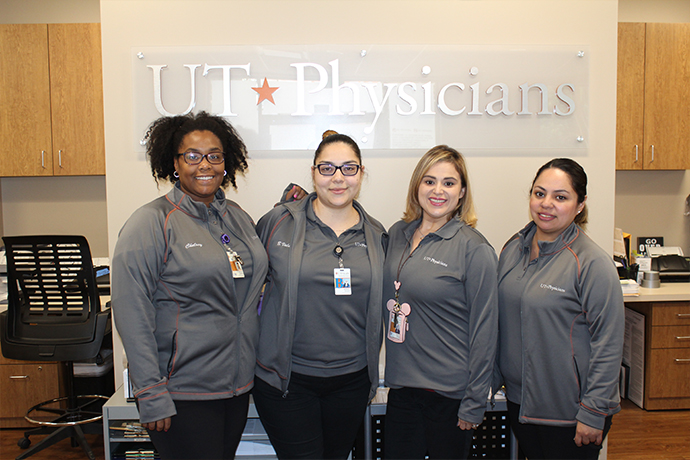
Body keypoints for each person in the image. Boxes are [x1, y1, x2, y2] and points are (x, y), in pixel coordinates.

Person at [111, 112, 269, 460]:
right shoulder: (151, 223)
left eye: (215, 155)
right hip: (182, 390)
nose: (205, 165)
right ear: (175, 163)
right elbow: (131, 311)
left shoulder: (237, 217)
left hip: (236, 386)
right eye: (193, 156)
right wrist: (150, 392)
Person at [252, 131, 387, 459]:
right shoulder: (277, 223)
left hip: (351, 382)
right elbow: (247, 292)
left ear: (361, 173)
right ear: (313, 173)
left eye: (348, 168)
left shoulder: (377, 235)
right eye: (327, 168)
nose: (338, 178)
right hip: (287, 381)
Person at [493, 158, 624, 460]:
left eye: (560, 197)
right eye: (539, 193)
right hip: (520, 403)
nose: (546, 204)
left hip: (571, 412)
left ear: (580, 205)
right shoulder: (513, 248)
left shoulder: (591, 263)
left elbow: (609, 342)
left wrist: (593, 411)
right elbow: (503, 323)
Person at [382, 145, 499, 459]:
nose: (438, 191)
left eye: (449, 183)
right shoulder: (397, 234)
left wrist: (474, 401)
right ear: (417, 186)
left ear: (462, 193)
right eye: (429, 181)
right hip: (402, 390)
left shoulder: (474, 249)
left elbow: (486, 331)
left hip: (449, 397)